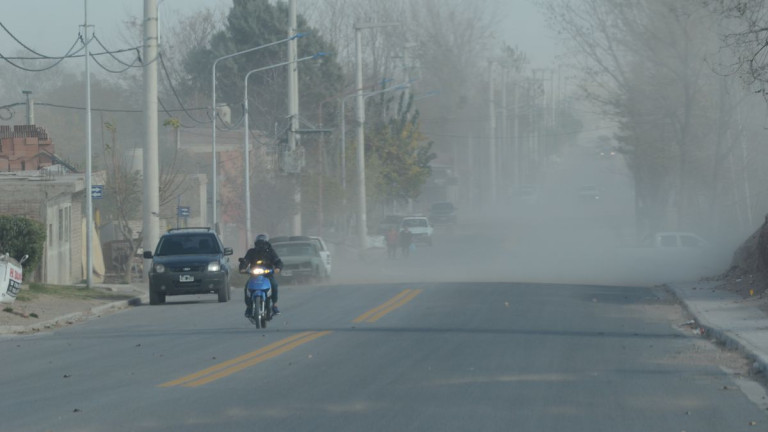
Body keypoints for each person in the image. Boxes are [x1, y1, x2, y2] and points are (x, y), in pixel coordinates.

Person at [240, 233, 283, 317]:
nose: (261, 245)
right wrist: (243, 268)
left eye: (262, 243)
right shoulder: (251, 252)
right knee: (247, 287)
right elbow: (245, 261)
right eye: (259, 243)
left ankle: (274, 305)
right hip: (254, 275)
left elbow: (278, 261)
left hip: (268, 275)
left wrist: (277, 268)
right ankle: (249, 307)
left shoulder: (271, 252)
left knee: (274, 285)